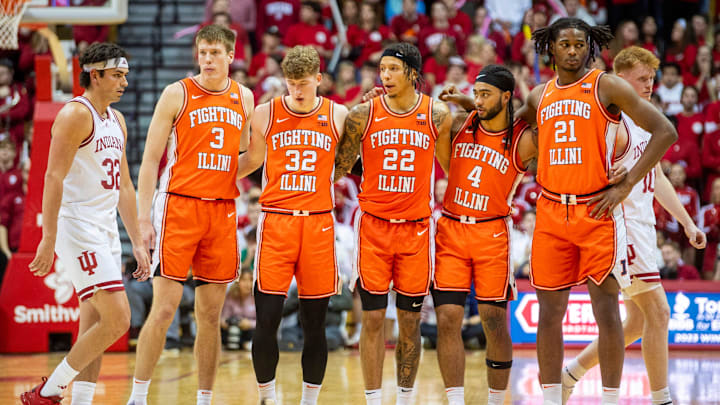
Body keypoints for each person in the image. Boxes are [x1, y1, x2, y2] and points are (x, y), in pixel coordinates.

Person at [521, 18, 678, 405]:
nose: (573, 50)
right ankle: (553, 397)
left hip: (595, 211)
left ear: (590, 47)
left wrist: (626, 183)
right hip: (552, 211)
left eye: (580, 44)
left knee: (607, 310)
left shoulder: (605, 85)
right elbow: (510, 138)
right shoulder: (537, 96)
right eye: (565, 44)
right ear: (551, 49)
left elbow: (665, 131)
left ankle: (609, 399)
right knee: (549, 313)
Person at [561, 46, 707, 405]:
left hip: (642, 228)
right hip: (619, 227)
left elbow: (657, 178)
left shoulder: (646, 120)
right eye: (642, 78)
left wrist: (687, 223)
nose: (650, 85)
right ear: (620, 78)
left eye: (652, 79)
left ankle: (571, 374)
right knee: (659, 311)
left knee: (639, 323)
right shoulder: (611, 120)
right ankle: (662, 399)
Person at [127, 24, 254, 405]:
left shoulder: (244, 97)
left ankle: (204, 398)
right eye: (203, 52)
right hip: (178, 205)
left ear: (231, 56)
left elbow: (244, 156)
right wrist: (143, 219)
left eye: (216, 52)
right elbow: (150, 161)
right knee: (164, 308)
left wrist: (228, 171)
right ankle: (137, 396)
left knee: (210, 316)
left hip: (222, 211)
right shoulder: (176, 93)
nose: (208, 59)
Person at [21, 42, 151, 405]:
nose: (124, 82)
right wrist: (48, 237)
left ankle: (80, 402)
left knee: (94, 322)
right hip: (77, 225)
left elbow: (124, 185)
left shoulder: (117, 120)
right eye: (117, 76)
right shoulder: (75, 115)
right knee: (118, 320)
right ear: (95, 75)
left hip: (105, 227)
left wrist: (137, 242)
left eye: (125, 75)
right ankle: (47, 392)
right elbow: (53, 178)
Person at [333, 42, 453, 405]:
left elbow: (452, 167)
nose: (384, 76)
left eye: (393, 69)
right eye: (382, 69)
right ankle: (372, 400)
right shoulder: (363, 114)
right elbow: (339, 166)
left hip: (416, 229)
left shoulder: (437, 114)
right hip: (373, 227)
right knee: (371, 322)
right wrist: (349, 118)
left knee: (410, 323)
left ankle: (403, 398)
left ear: (413, 74)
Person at [235, 45, 348, 405]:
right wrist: (208, 178)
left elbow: (350, 164)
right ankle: (267, 398)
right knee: (266, 320)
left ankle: (309, 401)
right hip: (276, 223)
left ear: (319, 79)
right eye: (291, 83)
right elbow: (250, 161)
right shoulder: (266, 113)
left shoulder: (339, 115)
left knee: (314, 325)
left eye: (303, 83)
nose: (297, 91)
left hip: (318, 226)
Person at [432, 64, 537, 405]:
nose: (477, 100)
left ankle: (496, 399)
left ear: (506, 96)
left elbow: (538, 106)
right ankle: (455, 399)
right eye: (475, 94)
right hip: (450, 227)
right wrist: (464, 100)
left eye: (485, 94)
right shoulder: (462, 124)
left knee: (493, 319)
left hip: (492, 233)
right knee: (448, 318)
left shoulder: (522, 139)